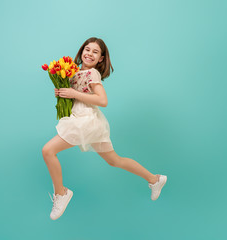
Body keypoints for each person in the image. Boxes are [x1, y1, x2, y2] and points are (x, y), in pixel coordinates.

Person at [42, 37, 167, 221]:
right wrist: (63, 93)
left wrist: (74, 93)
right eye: (87, 49)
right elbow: (77, 96)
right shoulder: (74, 71)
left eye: (95, 52)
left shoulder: (92, 74)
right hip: (88, 122)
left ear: (101, 58)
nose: (89, 54)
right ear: (81, 51)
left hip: (84, 121)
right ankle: (155, 179)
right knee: (115, 160)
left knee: (48, 151)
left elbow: (102, 100)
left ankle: (62, 193)